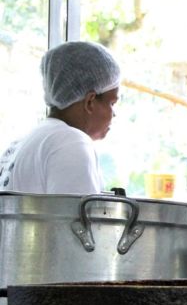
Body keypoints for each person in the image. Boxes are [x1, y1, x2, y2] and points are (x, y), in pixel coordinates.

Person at [0, 41, 120, 194]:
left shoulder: (24, 141)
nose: (114, 114)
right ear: (90, 101)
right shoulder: (71, 142)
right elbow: (78, 217)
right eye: (112, 103)